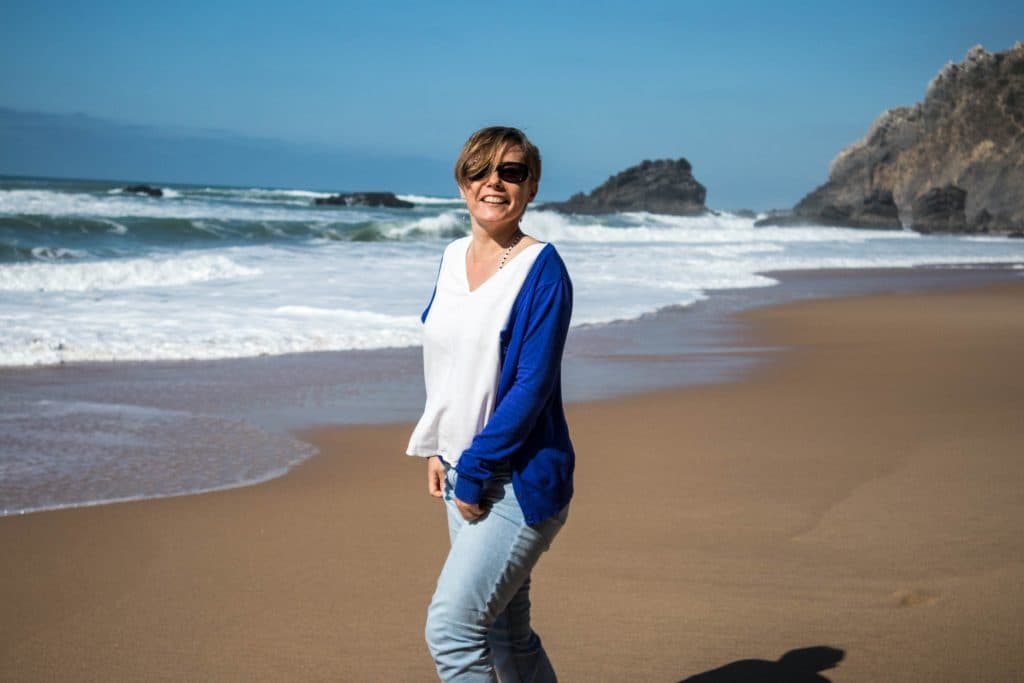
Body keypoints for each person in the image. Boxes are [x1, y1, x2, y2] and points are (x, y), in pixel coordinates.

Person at [406, 126, 575, 683]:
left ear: (531, 189)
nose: (494, 183)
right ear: (462, 183)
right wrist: (438, 444)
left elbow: (531, 385)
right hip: (461, 470)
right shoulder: (452, 258)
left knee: (452, 633)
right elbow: (450, 359)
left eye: (512, 172)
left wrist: (475, 469)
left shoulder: (541, 268)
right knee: (506, 634)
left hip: (514, 480)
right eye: (480, 170)